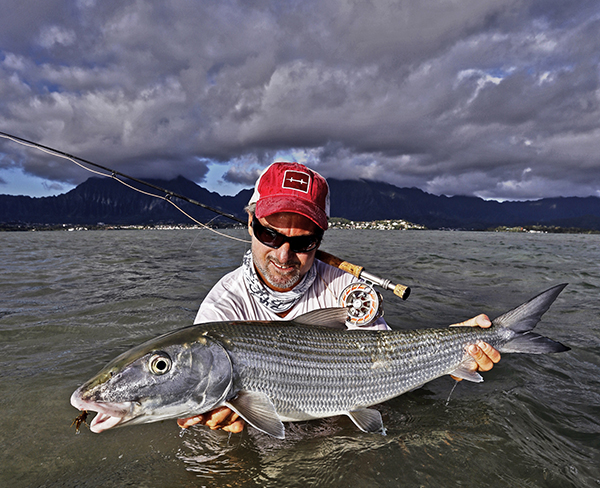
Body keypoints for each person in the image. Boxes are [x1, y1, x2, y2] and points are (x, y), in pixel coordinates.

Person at [178, 162, 500, 434]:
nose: (284, 253)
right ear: (250, 224)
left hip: (338, 423)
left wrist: (455, 350)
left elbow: (385, 360)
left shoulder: (347, 289)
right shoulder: (222, 305)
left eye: (304, 242)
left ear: (321, 238)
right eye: (270, 235)